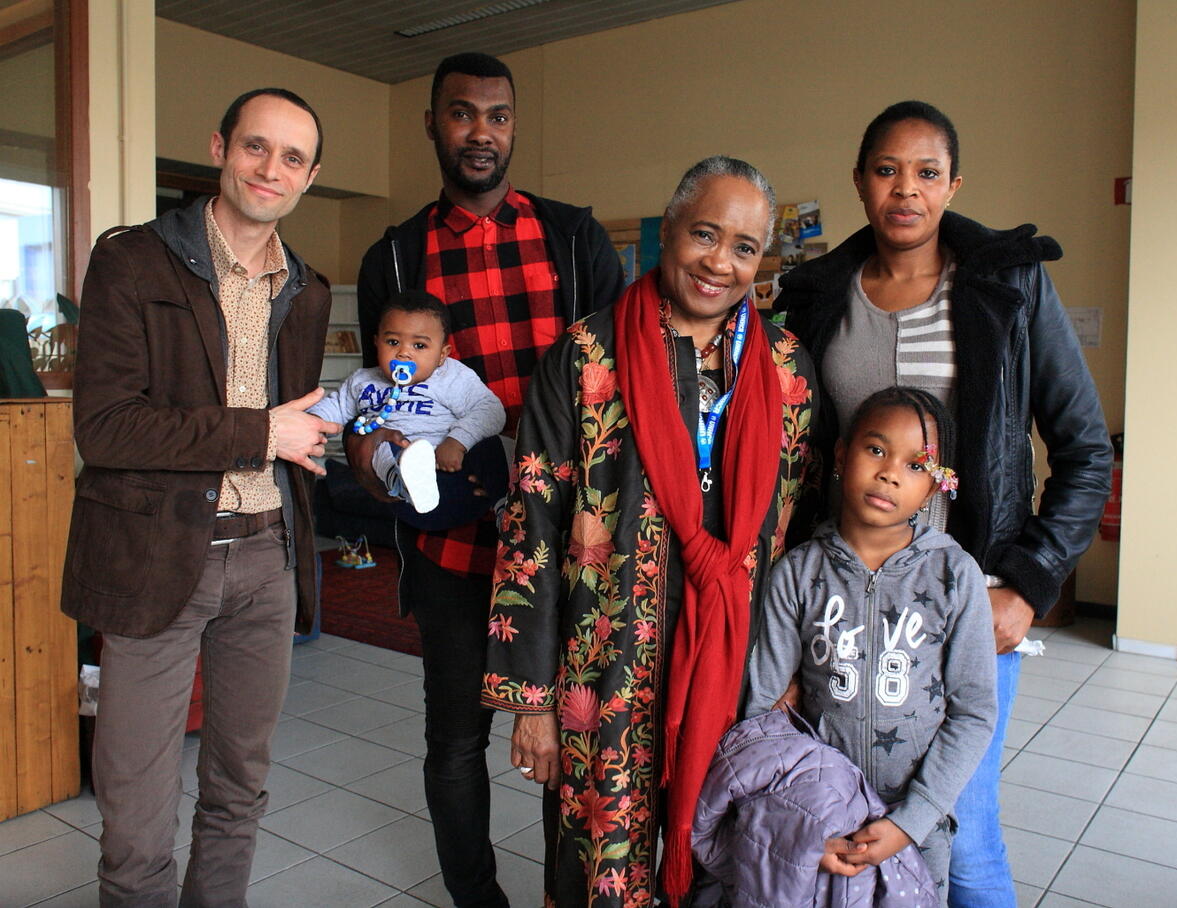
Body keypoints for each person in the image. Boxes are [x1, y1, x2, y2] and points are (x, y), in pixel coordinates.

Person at [774, 100, 1111, 907]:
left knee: (962, 826)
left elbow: (1084, 449)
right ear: (860, 182)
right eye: (887, 170)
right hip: (842, 600)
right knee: (848, 814)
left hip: (965, 604)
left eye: (927, 173)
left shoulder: (1009, 286)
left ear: (954, 183)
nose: (906, 191)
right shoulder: (819, 297)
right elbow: (794, 461)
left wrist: (1027, 582)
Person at [484, 155, 817, 907]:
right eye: (705, 233)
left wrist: (795, 667)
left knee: (725, 850)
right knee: (596, 861)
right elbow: (530, 524)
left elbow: (797, 542)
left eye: (744, 248)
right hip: (603, 668)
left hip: (740, 668)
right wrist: (533, 700)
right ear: (668, 232)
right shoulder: (587, 355)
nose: (719, 262)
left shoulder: (788, 369)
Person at [351, 52, 623, 907]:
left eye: (498, 115)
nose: (481, 131)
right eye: (462, 114)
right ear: (432, 123)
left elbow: (623, 383)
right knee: (456, 744)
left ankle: (562, 896)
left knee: (570, 738)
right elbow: (375, 402)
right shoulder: (394, 258)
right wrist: (378, 468)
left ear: (514, 126)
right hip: (454, 547)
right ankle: (478, 899)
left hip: (567, 545)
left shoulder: (575, 240)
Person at [61, 88, 340, 906]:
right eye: (256, 147)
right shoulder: (133, 260)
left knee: (238, 789)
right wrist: (262, 435)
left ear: (310, 176)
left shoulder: (310, 290)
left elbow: (295, 423)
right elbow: (107, 429)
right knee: (136, 814)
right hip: (157, 561)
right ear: (220, 147)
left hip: (267, 555)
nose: (271, 169)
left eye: (293, 158)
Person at [744, 387, 996, 903]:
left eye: (916, 464)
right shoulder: (798, 573)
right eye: (876, 450)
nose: (890, 474)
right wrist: (803, 824)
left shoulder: (954, 576)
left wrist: (914, 820)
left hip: (915, 831)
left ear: (934, 487)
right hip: (816, 821)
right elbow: (760, 715)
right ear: (841, 455)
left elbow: (973, 713)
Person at [308, 290, 508, 529]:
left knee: (496, 446)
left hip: (456, 477)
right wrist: (311, 423)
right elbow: (334, 408)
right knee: (379, 442)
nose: (404, 352)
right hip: (404, 496)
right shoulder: (363, 381)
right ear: (376, 342)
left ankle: (506, 509)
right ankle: (403, 480)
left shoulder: (451, 376)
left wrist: (457, 442)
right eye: (392, 342)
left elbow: (491, 411)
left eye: (420, 345)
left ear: (443, 354)